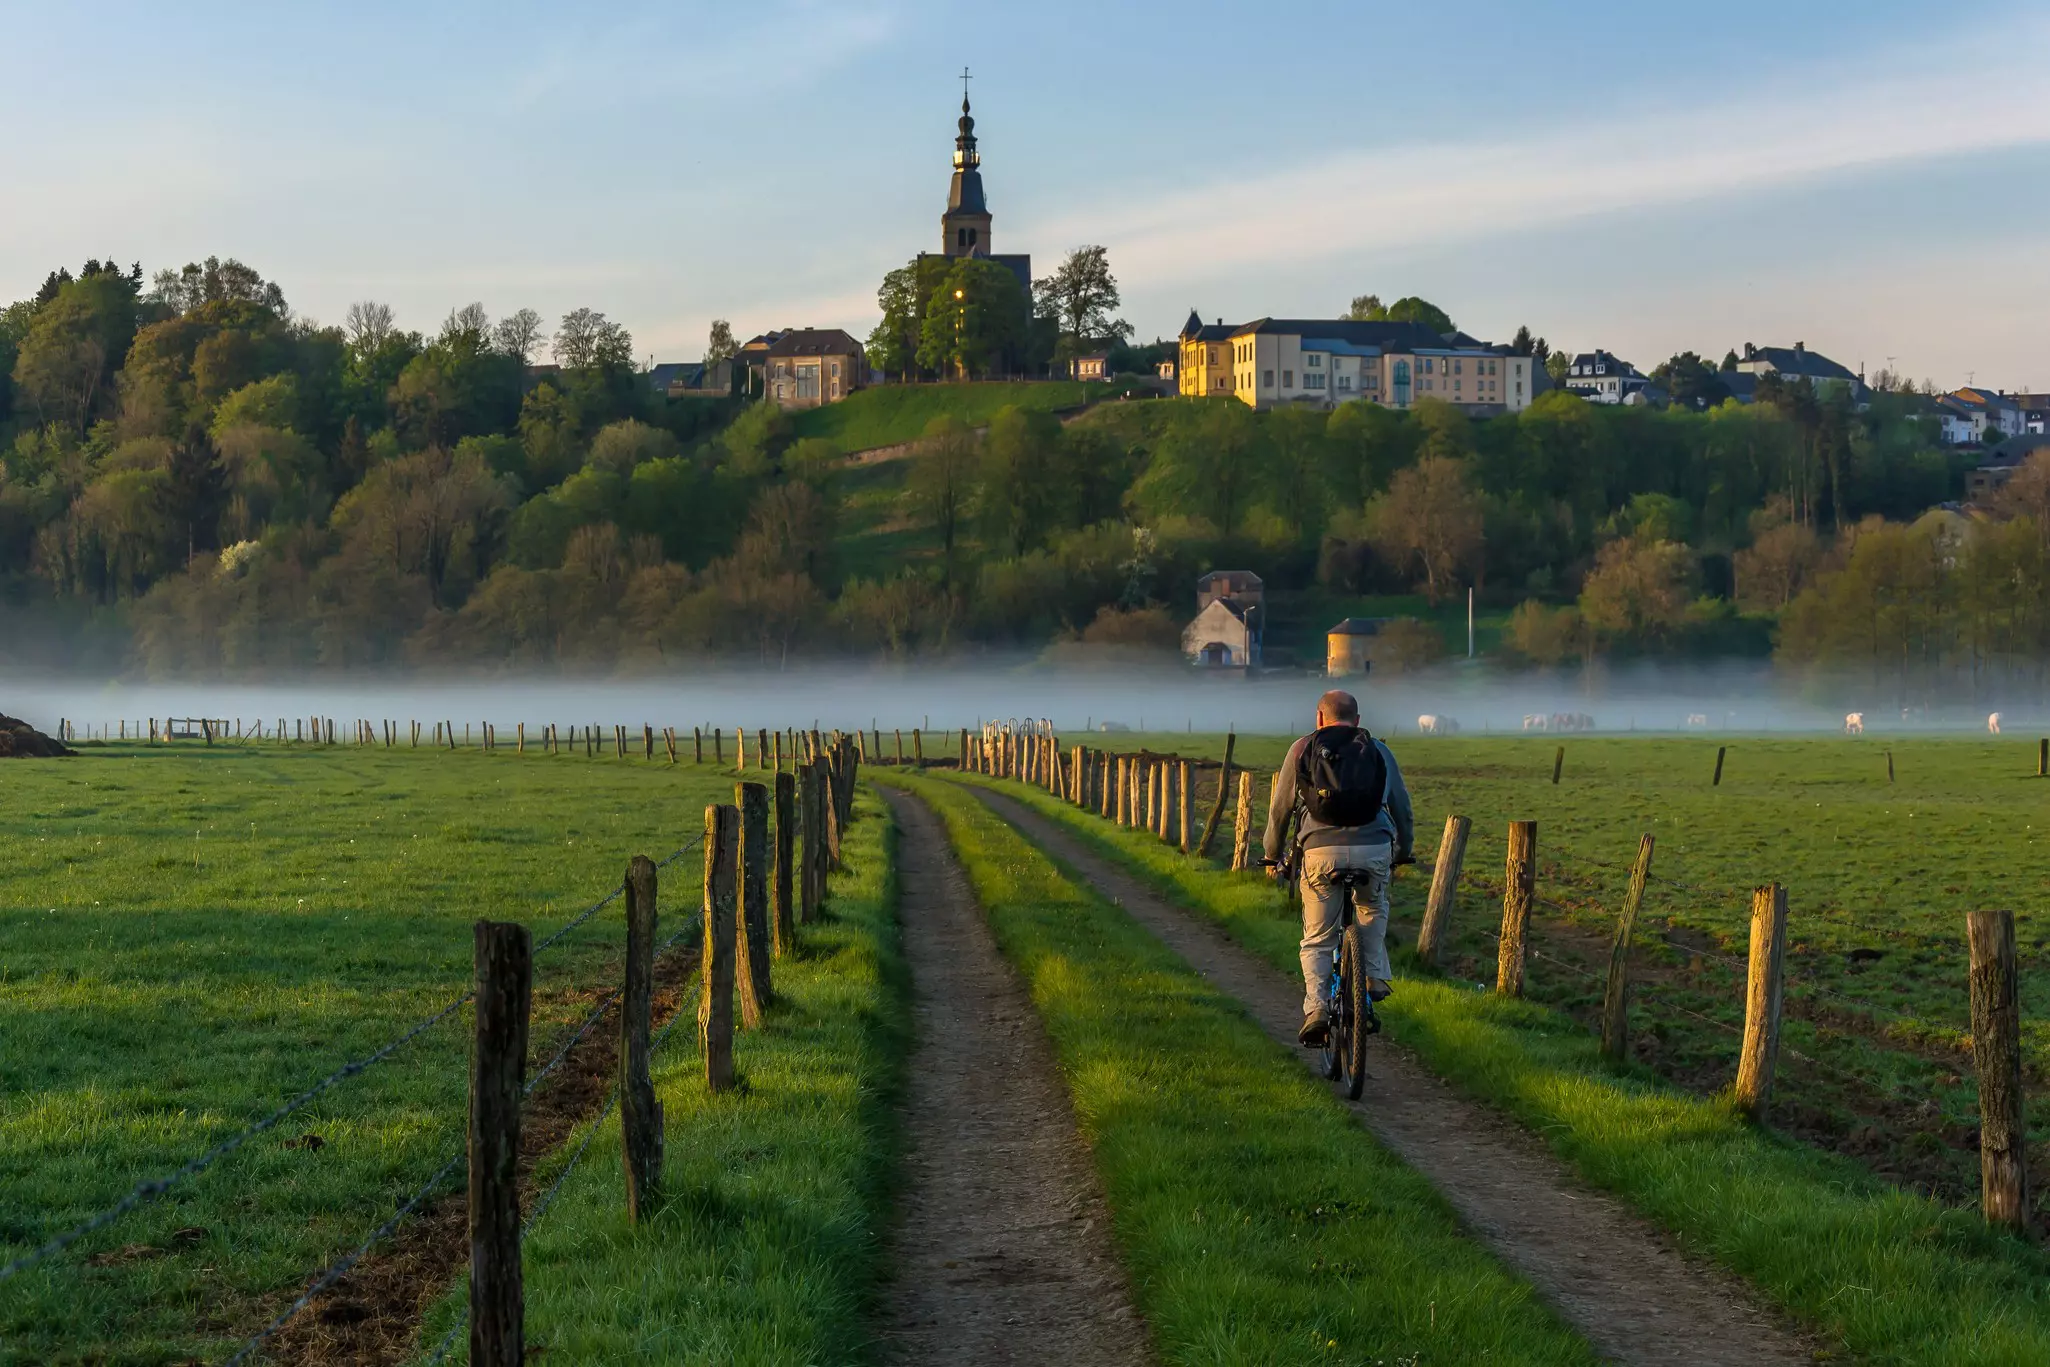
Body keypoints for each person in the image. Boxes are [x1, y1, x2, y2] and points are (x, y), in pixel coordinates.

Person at [1263, 690, 1414, 1046]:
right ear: (1358, 720)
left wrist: (1272, 854)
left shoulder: (1302, 749)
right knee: (1373, 906)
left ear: (1319, 718)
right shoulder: (1378, 751)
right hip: (1374, 847)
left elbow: (1280, 810)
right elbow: (1402, 808)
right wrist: (1404, 850)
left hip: (1320, 852)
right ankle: (1373, 976)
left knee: (1317, 937)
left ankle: (1316, 1009)